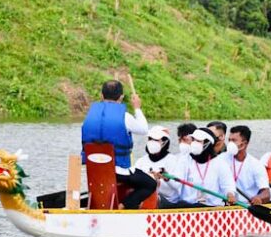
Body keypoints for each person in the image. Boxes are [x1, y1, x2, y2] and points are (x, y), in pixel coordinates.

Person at [81, 80, 156, 209]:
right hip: (118, 170)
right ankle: (122, 206)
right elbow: (144, 129)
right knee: (150, 184)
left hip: (93, 168)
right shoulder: (125, 117)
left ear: (101, 95)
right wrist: (137, 108)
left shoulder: (90, 116)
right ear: (121, 97)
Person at [167, 128, 236, 207]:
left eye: (198, 141)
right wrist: (168, 178)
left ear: (207, 143)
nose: (194, 143)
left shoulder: (220, 163)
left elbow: (228, 185)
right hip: (188, 206)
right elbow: (177, 181)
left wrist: (230, 194)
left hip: (212, 208)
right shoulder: (185, 159)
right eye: (193, 140)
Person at [134, 126, 179, 208]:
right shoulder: (140, 162)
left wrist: (166, 179)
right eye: (150, 139)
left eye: (156, 140)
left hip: (168, 202)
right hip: (144, 201)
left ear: (164, 142)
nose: (151, 142)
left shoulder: (174, 161)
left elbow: (178, 188)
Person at [227, 125, 270, 205]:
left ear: (244, 144)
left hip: (246, 205)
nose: (230, 143)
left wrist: (259, 198)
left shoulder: (256, 165)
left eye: (233, 140)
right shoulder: (221, 160)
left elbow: (266, 193)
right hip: (224, 205)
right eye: (229, 140)